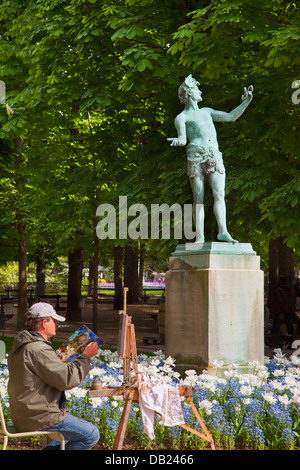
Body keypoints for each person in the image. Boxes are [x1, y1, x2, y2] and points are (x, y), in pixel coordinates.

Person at [168, 75, 253, 243]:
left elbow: (231, 117)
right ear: (190, 93)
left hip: (214, 155)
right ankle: (199, 238)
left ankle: (223, 231)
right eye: (197, 89)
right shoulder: (182, 118)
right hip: (196, 157)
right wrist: (178, 141)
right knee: (198, 198)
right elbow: (183, 139)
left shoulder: (206, 112)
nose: (200, 92)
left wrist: (246, 102)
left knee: (219, 194)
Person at [7, 302, 100, 450]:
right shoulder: (39, 349)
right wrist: (86, 357)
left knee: (63, 438)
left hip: (23, 414)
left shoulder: (22, 345)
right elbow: (67, 380)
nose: (56, 324)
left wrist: (56, 358)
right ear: (44, 323)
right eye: (54, 321)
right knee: (91, 435)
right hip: (40, 416)